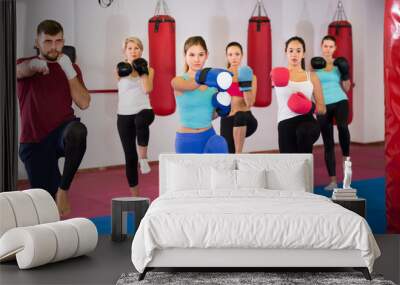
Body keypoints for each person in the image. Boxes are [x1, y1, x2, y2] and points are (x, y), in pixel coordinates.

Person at [16, 19, 90, 216]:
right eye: (47, 41)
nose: (53, 46)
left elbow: (83, 102)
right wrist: (34, 65)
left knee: (77, 131)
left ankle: (63, 190)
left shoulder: (70, 68)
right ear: (37, 42)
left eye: (58, 41)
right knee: (46, 207)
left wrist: (69, 71)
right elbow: (19, 71)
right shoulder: (22, 64)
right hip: (35, 140)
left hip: (61, 132)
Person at [171, 36, 228, 154]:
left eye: (201, 54)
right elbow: (190, 86)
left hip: (209, 135)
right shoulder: (178, 81)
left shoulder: (213, 85)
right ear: (185, 55)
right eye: (192, 55)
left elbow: (209, 116)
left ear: (207, 55)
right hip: (186, 139)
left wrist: (222, 110)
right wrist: (206, 77)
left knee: (216, 170)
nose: (196, 59)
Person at [271, 36, 326, 154]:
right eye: (291, 50)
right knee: (289, 164)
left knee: (304, 132)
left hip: (307, 121)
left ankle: (306, 168)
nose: (294, 54)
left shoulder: (311, 76)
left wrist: (310, 106)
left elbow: (322, 109)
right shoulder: (278, 74)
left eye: (298, 51)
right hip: (285, 122)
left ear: (303, 54)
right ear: (286, 52)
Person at [311, 35, 352, 190]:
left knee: (342, 127)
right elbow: (312, 87)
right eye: (325, 46)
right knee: (328, 142)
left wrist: (346, 73)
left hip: (340, 100)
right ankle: (333, 180)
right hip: (323, 105)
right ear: (322, 47)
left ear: (335, 48)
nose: (328, 49)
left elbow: (347, 88)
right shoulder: (315, 66)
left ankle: (347, 164)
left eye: (331, 46)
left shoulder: (338, 66)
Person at [116, 37, 155, 197]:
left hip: (144, 110)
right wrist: (133, 70)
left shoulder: (149, 69)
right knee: (130, 157)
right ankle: (135, 196)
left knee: (140, 121)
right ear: (125, 51)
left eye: (137, 48)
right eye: (130, 48)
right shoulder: (119, 69)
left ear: (141, 50)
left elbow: (147, 89)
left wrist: (143, 71)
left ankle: (144, 158)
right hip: (124, 115)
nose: (134, 51)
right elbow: (123, 76)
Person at [220, 42, 258, 153]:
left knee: (240, 116)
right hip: (228, 119)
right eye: (230, 54)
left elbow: (250, 103)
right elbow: (220, 102)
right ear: (226, 56)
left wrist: (244, 82)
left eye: (237, 54)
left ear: (242, 55)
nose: (234, 58)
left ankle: (239, 154)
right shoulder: (222, 77)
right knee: (228, 154)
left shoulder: (251, 76)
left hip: (246, 117)